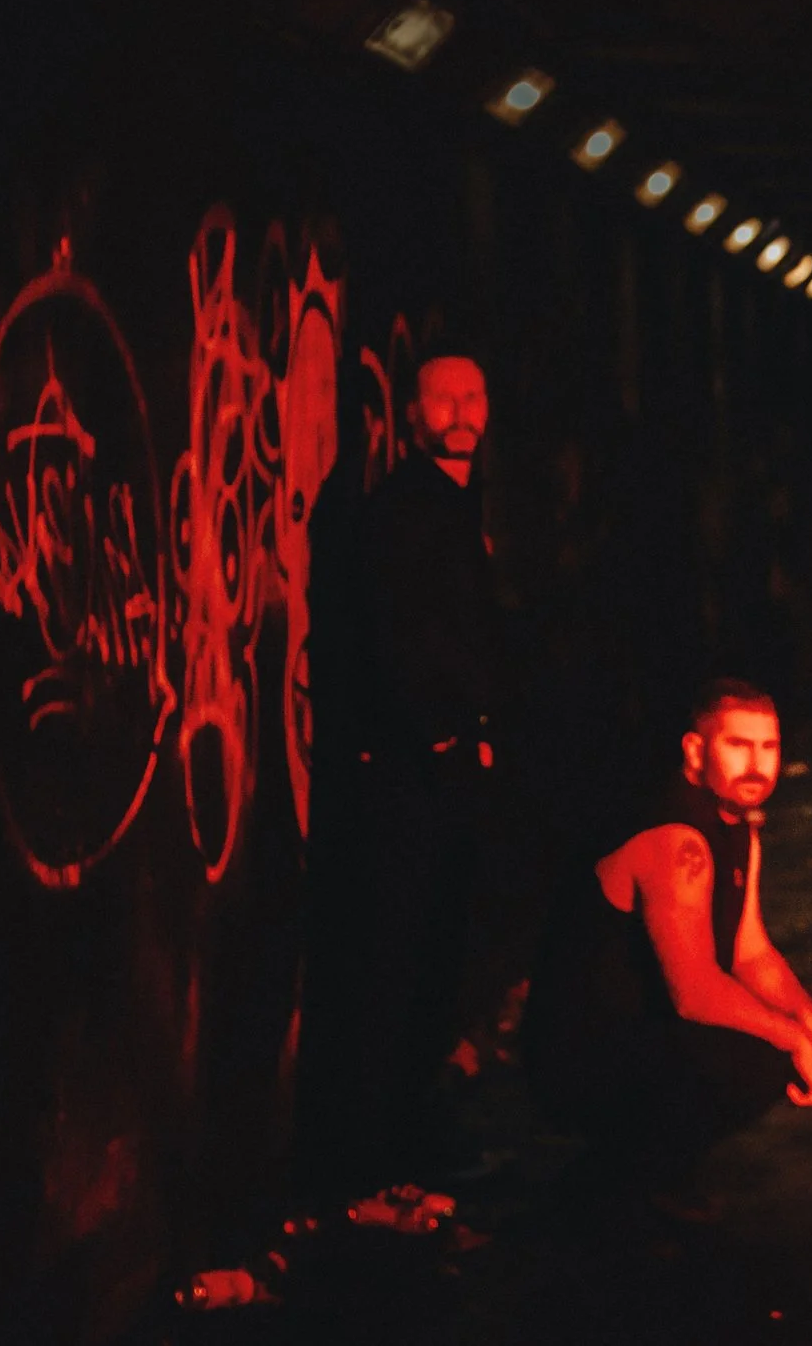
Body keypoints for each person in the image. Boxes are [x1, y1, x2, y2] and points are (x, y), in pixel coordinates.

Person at [297, 346, 506, 1207]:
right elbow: (394, 639)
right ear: (412, 415)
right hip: (414, 781)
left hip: (437, 773)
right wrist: (447, 741)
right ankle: (375, 1159)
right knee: (395, 965)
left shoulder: (451, 504)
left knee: (425, 963)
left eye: (472, 392)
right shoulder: (404, 510)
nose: (459, 409)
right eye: (441, 397)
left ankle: (406, 1144)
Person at [523, 680, 812, 1204]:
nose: (757, 765)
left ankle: (654, 1173)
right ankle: (614, 1183)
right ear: (695, 750)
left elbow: (749, 951)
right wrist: (790, 1037)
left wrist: (811, 1020)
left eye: (769, 747)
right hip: (582, 1052)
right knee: (757, 1055)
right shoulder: (676, 837)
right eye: (738, 745)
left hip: (640, 1028)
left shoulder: (737, 823)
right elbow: (694, 990)